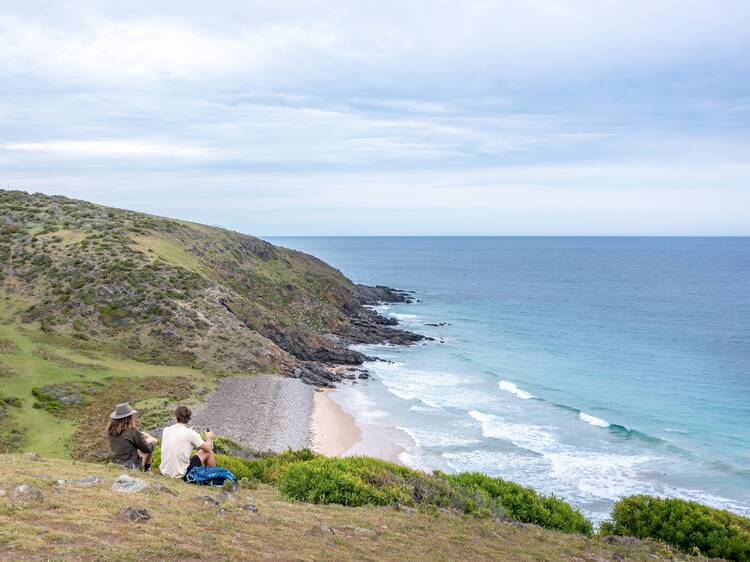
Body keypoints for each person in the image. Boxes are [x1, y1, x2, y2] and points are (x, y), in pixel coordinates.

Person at [159, 405, 216, 480]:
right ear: (188, 419)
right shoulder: (190, 433)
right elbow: (208, 448)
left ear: (176, 417)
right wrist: (208, 437)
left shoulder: (166, 430)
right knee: (208, 452)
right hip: (180, 475)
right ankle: (213, 478)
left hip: (164, 472)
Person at [106, 403, 157, 471]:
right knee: (150, 441)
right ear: (129, 417)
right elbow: (146, 449)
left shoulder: (110, 430)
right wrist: (153, 442)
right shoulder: (132, 431)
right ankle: (147, 470)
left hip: (114, 462)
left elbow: (125, 438)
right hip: (130, 466)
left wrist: (140, 434)